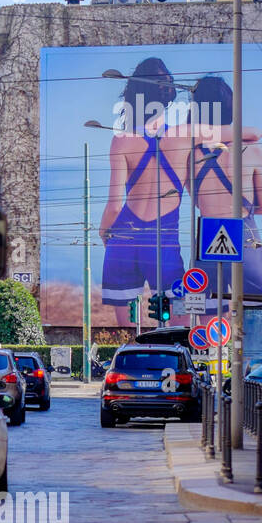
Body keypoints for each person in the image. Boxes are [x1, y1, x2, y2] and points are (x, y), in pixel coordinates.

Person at [99, 58, 189, 326]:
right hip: (165, 243)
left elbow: (114, 205)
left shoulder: (121, 141)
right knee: (179, 330)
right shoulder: (184, 138)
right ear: (169, 96)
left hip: (124, 240)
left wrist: (105, 235)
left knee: (128, 335)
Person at [184, 75, 262, 296]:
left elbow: (196, 201)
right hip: (244, 235)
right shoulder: (253, 150)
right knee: (259, 312)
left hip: (206, 236)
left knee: (207, 318)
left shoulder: (187, 153)